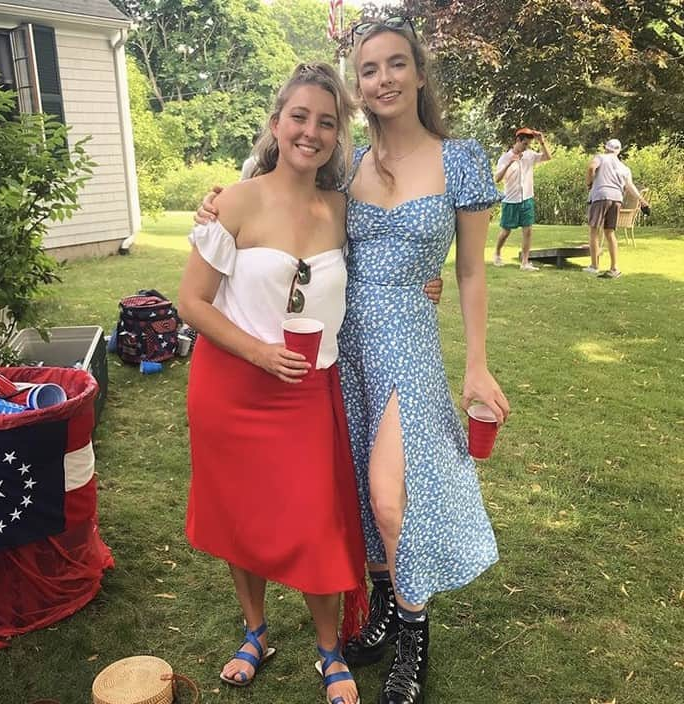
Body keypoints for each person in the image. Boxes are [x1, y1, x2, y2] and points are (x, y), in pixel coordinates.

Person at [195, 18, 509, 703]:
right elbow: (290, 211)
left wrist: (477, 363)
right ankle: (385, 609)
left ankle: (413, 639)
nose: (384, 78)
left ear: (420, 75)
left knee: (393, 498)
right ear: (359, 88)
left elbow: (472, 274)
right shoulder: (350, 167)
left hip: (405, 343)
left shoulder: (461, 159)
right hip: (339, 351)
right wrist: (218, 204)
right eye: (369, 70)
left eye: (397, 64)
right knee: (359, 496)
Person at [178, 63, 366, 704]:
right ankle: (254, 631)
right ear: (276, 122)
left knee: (315, 518)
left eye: (326, 121)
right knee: (243, 516)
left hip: (309, 390)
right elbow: (192, 303)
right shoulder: (234, 199)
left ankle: (328, 648)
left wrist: (424, 282)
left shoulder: (342, 208)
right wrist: (259, 352)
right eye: (299, 116)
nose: (310, 131)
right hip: (233, 386)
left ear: (338, 135)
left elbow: (391, 258)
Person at [584, 138, 649, 279]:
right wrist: (641, 200)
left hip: (601, 196)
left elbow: (591, 168)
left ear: (606, 148)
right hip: (616, 199)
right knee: (610, 232)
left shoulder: (600, 157)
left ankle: (594, 266)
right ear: (619, 151)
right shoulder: (624, 167)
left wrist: (589, 183)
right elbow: (630, 186)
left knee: (593, 230)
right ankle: (614, 268)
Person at [493, 127, 551, 271]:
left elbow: (548, 157)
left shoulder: (529, 155)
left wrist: (542, 142)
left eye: (528, 145)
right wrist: (510, 163)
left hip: (527, 199)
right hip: (511, 200)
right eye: (524, 144)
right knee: (506, 231)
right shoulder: (505, 158)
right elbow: (497, 179)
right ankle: (497, 254)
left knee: (528, 231)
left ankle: (525, 262)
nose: (526, 148)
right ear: (518, 141)